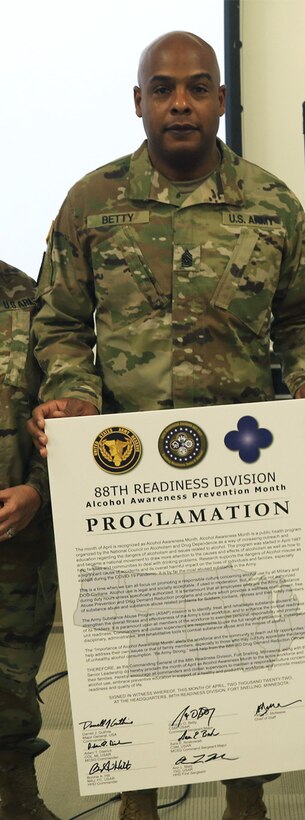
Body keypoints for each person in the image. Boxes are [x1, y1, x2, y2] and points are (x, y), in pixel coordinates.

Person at [28, 31, 305, 820]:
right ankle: (140, 798)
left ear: (221, 100)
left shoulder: (272, 205)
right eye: (163, 88)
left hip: (241, 473)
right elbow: (60, 324)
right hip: (124, 472)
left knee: (243, 641)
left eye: (198, 87)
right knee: (139, 644)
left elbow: (303, 319)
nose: (180, 102)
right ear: (138, 102)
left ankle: (248, 799)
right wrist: (72, 396)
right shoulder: (92, 201)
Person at [0, 261, 58, 819]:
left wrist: (38, 491)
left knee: (13, 677)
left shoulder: (29, 300)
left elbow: (65, 410)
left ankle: (18, 796)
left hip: (16, 531)